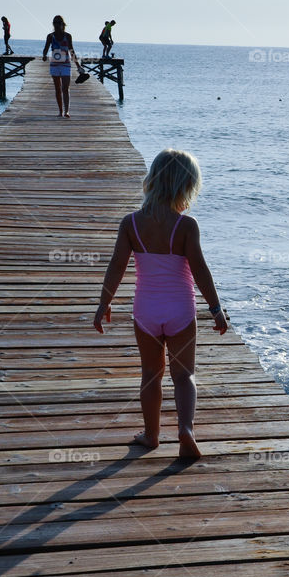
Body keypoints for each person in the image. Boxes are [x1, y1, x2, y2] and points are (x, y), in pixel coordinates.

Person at [95, 149, 228, 459]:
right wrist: (216, 308)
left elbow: (116, 267)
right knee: (184, 376)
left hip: (146, 312)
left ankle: (152, 435)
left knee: (150, 375)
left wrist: (104, 303)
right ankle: (186, 430)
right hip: (180, 310)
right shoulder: (186, 226)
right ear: (185, 187)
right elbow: (200, 271)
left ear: (152, 181)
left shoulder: (131, 223)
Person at [41, 15, 82, 118]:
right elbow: (45, 48)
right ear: (53, 24)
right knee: (58, 89)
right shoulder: (50, 36)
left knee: (65, 88)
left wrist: (78, 66)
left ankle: (66, 111)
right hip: (54, 65)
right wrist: (44, 55)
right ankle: (60, 111)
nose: (57, 25)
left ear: (63, 24)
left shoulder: (68, 36)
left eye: (59, 23)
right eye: (55, 23)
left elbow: (71, 51)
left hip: (66, 65)